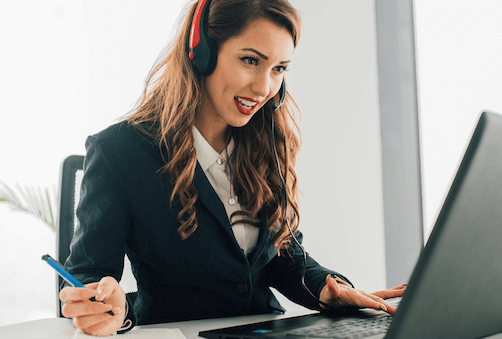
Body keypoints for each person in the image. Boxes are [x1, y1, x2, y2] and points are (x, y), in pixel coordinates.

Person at [59, 0, 405, 336]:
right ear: (202, 53)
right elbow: (89, 277)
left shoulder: (265, 138)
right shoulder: (120, 150)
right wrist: (107, 310)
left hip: (264, 330)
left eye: (279, 69)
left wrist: (327, 288)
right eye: (250, 60)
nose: (265, 88)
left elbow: (281, 252)